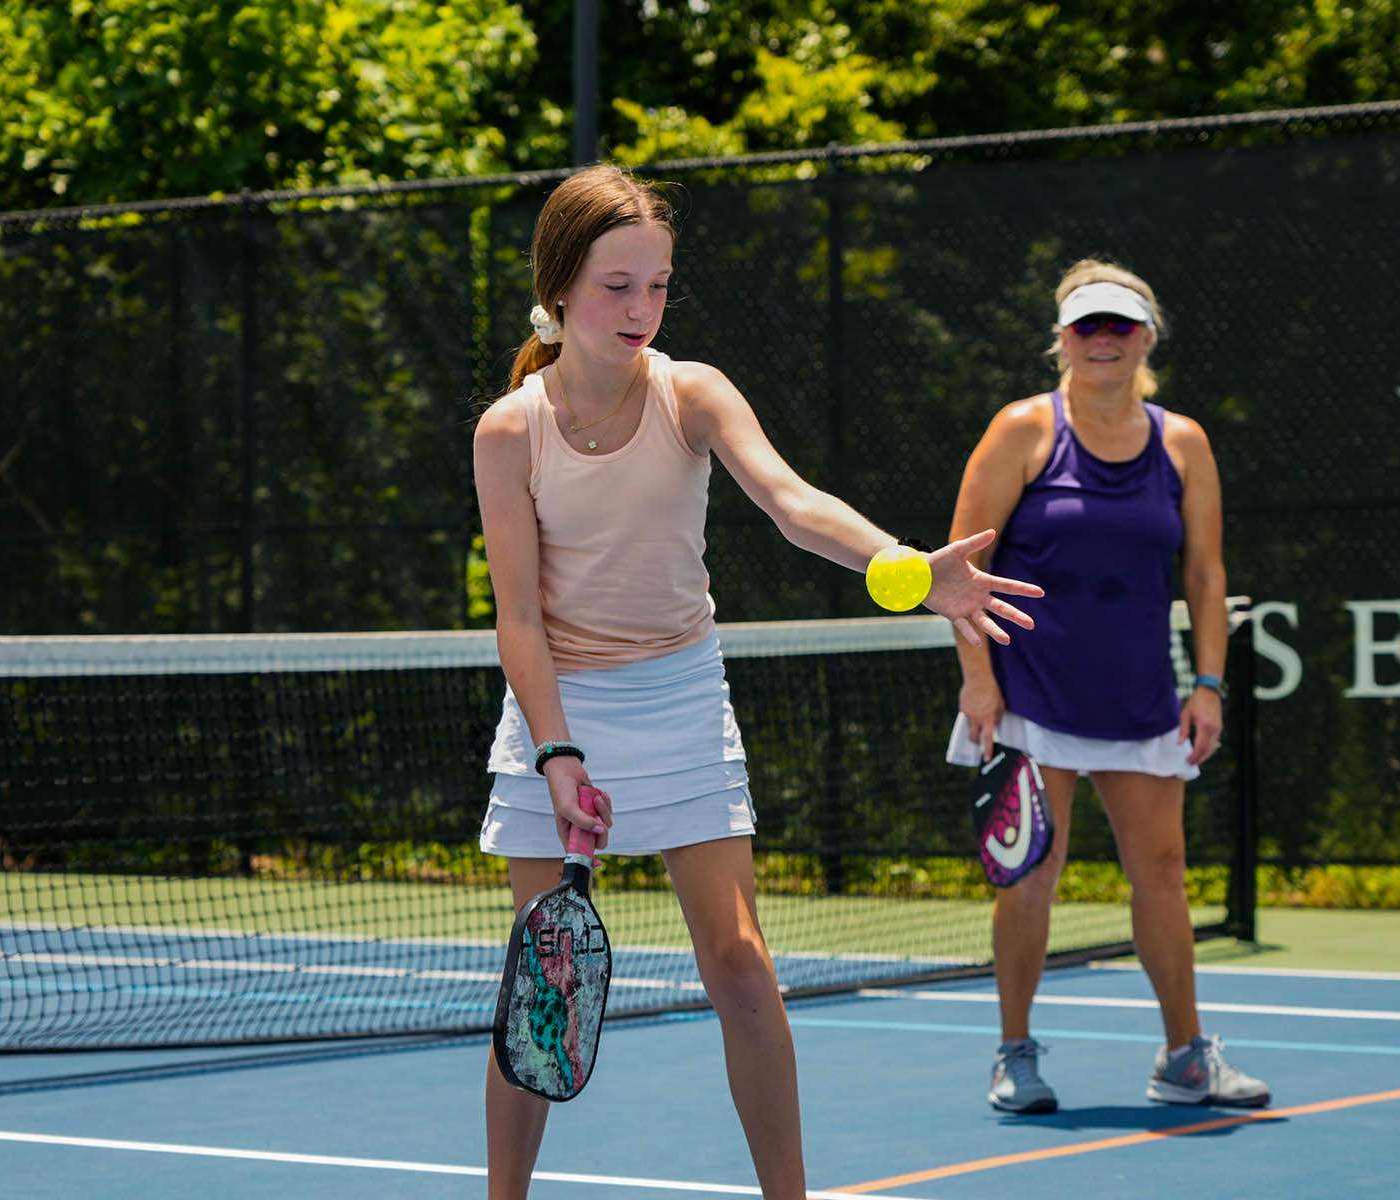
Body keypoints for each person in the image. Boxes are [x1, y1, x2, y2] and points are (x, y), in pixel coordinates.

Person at [472, 163, 1043, 1199]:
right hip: (562, 704)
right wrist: (556, 753)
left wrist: (910, 571)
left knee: (739, 962)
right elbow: (519, 618)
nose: (641, 309)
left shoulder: (690, 392)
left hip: (680, 695)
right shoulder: (510, 429)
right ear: (558, 287)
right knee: (538, 986)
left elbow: (790, 501)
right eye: (616, 285)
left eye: (657, 284)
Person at [944, 259, 1270, 1115]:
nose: (1102, 341)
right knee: (1031, 877)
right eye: (1086, 326)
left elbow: (1205, 577)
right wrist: (979, 683)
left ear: (1146, 339)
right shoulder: (1021, 430)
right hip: (1028, 699)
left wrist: (1208, 687)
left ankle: (1185, 1059)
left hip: (1138, 702)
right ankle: (1014, 1055)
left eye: (1119, 327)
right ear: (1061, 340)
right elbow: (961, 570)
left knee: (1162, 871)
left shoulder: (1183, 443)